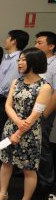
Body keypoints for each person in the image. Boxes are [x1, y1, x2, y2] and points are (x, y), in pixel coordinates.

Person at [0, 48, 52, 200]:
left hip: (30, 133)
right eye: (19, 60)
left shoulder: (45, 87)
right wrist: (17, 124)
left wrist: (19, 131)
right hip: (10, 129)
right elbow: (8, 106)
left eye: (23, 60)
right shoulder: (16, 82)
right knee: (5, 162)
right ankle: (2, 193)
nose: (19, 63)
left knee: (28, 169)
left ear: (34, 62)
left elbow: (35, 114)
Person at [0, 30, 29, 172]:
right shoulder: (7, 57)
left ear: (14, 41)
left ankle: (2, 160)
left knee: (5, 131)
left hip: (7, 100)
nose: (5, 39)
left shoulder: (18, 58)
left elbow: (9, 81)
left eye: (8, 37)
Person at [35, 31, 56, 191]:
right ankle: (30, 170)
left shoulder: (54, 64)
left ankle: (47, 180)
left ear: (51, 46)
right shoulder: (38, 62)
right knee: (31, 142)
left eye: (39, 42)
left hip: (44, 111)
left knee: (42, 143)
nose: (36, 45)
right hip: (31, 109)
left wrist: (44, 114)